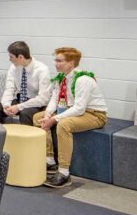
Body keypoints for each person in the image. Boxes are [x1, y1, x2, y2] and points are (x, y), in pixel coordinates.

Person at [33, 47, 107, 188]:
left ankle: (64, 172)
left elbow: (79, 108)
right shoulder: (61, 78)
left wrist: (54, 119)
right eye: (55, 60)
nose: (55, 63)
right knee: (38, 117)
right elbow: (55, 98)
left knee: (63, 124)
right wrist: (48, 114)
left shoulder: (83, 80)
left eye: (59, 61)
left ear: (71, 63)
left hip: (94, 114)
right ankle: (49, 160)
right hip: (71, 110)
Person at [0, 41, 52, 125]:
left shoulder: (42, 70)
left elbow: (43, 99)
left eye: (11, 57)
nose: (9, 59)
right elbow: (9, 89)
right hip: (20, 99)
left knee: (25, 113)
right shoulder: (14, 67)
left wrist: (18, 107)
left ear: (20, 57)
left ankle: (26, 138)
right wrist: (6, 106)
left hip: (36, 103)